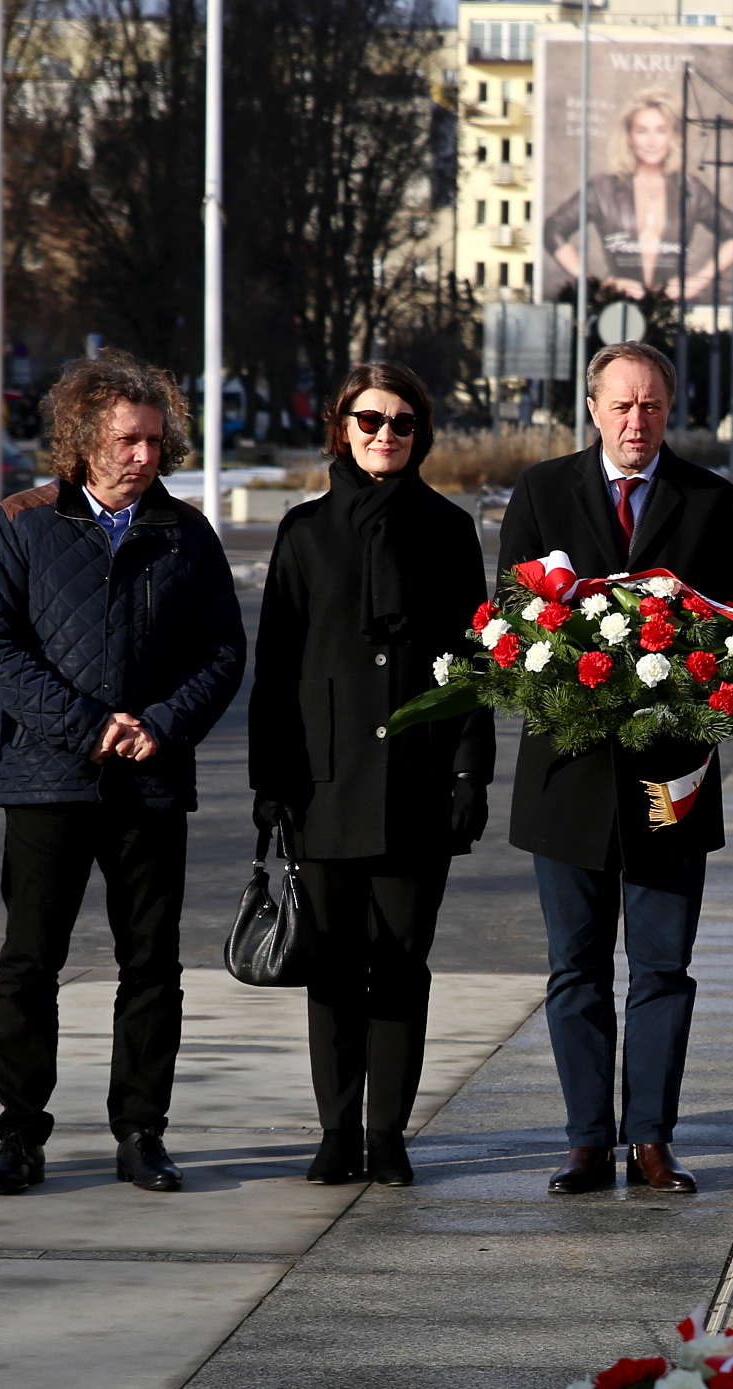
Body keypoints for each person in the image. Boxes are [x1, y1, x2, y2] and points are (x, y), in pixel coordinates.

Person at [0, 351, 246, 1197]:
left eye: (156, 441)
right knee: (28, 965)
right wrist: (87, 726)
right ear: (83, 440)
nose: (145, 457)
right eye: (128, 440)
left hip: (151, 785)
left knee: (151, 966)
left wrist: (159, 726)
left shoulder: (185, 533)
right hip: (48, 779)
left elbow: (223, 652)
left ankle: (141, 1132)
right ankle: (18, 1136)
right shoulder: (22, 522)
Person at [501, 342, 733, 1194]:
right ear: (594, 409)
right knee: (573, 968)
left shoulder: (709, 499)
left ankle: (650, 1139)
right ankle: (583, 1140)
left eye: (650, 406)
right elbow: (513, 623)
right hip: (566, 779)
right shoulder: (540, 491)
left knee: (662, 968)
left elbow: (724, 637)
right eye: (621, 406)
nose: (635, 421)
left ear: (667, 411)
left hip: (666, 782)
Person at [249, 363, 496, 1190]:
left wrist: (470, 770)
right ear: (341, 427)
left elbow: (473, 666)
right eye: (368, 420)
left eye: (401, 423)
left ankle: (386, 1130)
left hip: (417, 783)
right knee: (333, 964)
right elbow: (276, 665)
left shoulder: (449, 530)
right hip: (322, 782)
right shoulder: (304, 530)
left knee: (400, 966)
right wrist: (271, 781)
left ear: (420, 434)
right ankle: (335, 1130)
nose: (384, 435)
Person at [543, 90, 733, 304]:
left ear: (674, 136)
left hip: (674, 314)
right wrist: (595, 285)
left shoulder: (691, 189)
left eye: (661, 131)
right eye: (642, 131)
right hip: (615, 310)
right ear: (629, 137)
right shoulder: (601, 188)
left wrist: (699, 281)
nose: (652, 142)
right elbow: (552, 230)